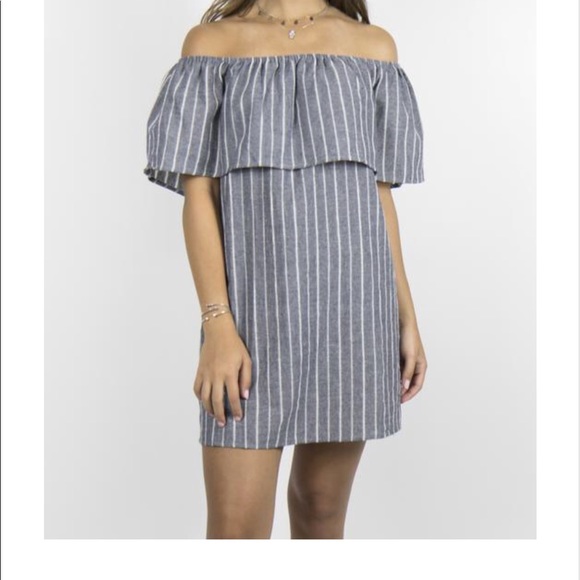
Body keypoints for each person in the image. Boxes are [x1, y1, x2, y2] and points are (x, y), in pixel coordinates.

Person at [144, 0, 428, 539]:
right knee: (236, 531)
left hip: (353, 315)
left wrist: (407, 318)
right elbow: (198, 195)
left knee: (321, 510)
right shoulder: (212, 47)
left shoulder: (373, 48)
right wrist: (217, 324)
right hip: (251, 320)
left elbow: (379, 198)